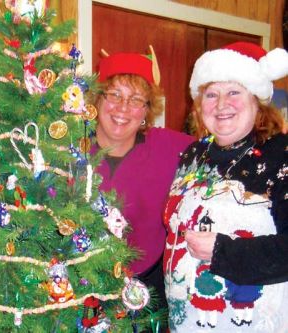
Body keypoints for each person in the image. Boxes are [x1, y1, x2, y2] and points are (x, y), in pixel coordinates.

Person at [163, 41, 288, 332]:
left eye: (234, 92)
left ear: (257, 100)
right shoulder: (193, 155)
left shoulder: (280, 155)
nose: (221, 105)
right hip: (187, 322)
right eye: (211, 94)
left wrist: (223, 251)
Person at [92, 47, 195, 318]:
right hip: (76, 290)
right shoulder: (69, 148)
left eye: (136, 99)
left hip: (148, 295)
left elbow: (226, 147)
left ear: (147, 110)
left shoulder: (169, 146)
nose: (123, 108)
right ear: (97, 99)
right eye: (114, 95)